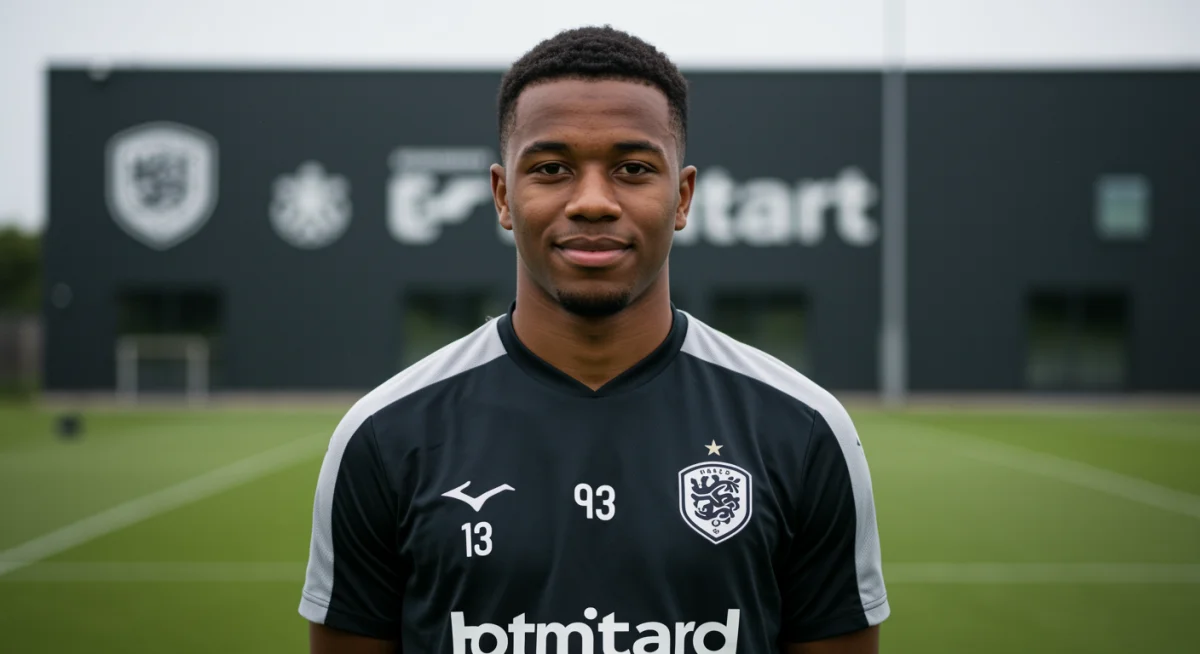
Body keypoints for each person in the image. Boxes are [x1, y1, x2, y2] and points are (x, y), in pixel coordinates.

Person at [300, 25, 888, 654]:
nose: (592, 202)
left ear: (682, 196)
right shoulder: (384, 436)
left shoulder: (803, 429)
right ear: (502, 196)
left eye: (632, 169)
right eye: (551, 169)